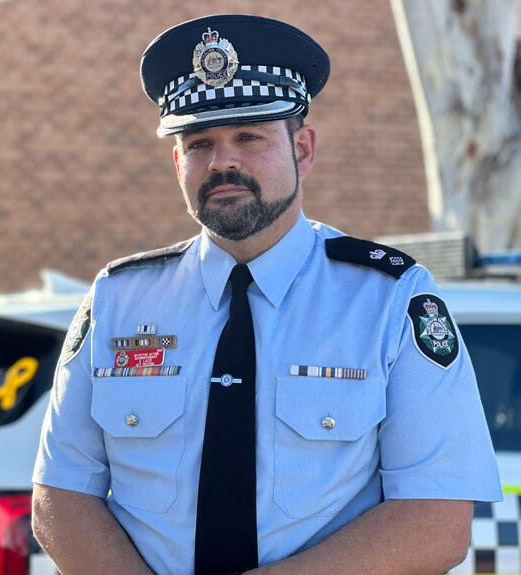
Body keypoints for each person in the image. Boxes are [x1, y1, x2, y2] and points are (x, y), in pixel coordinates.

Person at [31, 13, 502, 575]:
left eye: (249, 136)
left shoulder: (390, 301)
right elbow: (60, 495)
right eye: (199, 142)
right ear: (179, 161)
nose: (222, 161)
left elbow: (437, 520)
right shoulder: (117, 301)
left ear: (302, 149)